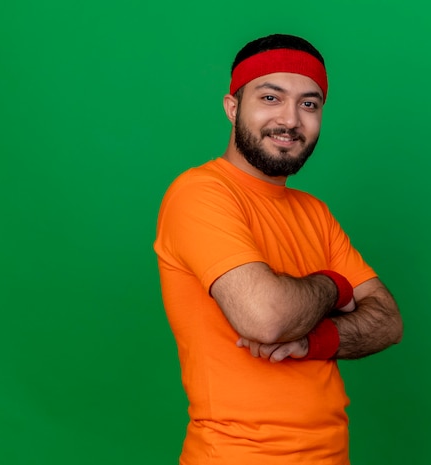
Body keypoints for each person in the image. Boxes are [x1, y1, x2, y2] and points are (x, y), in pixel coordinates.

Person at [154, 33, 403, 465]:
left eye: (309, 104)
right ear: (233, 108)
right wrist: (335, 285)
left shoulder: (315, 213)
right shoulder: (200, 194)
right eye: (271, 97)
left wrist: (315, 340)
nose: (290, 119)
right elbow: (265, 319)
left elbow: (387, 321)